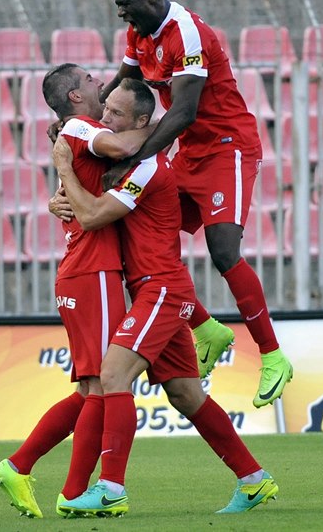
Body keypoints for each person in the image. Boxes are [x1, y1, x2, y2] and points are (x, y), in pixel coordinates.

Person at [53, 77, 279, 518]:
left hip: (159, 288)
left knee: (112, 376)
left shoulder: (146, 165)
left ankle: (111, 487)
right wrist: (57, 198)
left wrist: (63, 166)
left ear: (142, 121)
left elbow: (95, 216)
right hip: (156, 289)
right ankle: (254, 480)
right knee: (186, 395)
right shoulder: (135, 158)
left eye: (116, 114)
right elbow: (88, 197)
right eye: (106, 111)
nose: (106, 119)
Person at [98, 0, 293, 409]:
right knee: (142, 235)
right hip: (188, 152)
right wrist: (85, 124)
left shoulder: (185, 33)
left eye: (126, 6)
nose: (122, 15)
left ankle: (273, 355)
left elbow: (183, 111)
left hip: (228, 149)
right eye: (118, 7)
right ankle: (206, 328)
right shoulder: (140, 34)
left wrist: (133, 157)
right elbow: (123, 86)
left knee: (223, 251)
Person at [0, 63, 154, 518]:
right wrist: (175, 119)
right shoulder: (83, 127)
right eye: (88, 80)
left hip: (81, 273)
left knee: (90, 391)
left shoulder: (75, 130)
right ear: (75, 97)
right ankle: (71, 490)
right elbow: (124, 143)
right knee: (104, 386)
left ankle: (19, 466)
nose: (99, 82)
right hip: (94, 271)